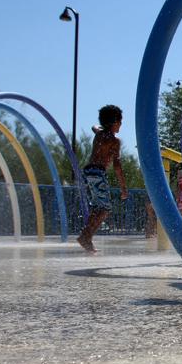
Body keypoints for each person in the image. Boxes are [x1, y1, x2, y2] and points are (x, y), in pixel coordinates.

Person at [78, 104, 128, 254]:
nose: (121, 125)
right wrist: (123, 187)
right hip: (99, 173)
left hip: (89, 172)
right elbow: (117, 166)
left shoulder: (99, 134)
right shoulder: (114, 141)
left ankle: (86, 236)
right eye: (120, 122)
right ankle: (85, 236)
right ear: (115, 123)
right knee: (105, 209)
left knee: (99, 207)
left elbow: (94, 126)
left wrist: (101, 126)